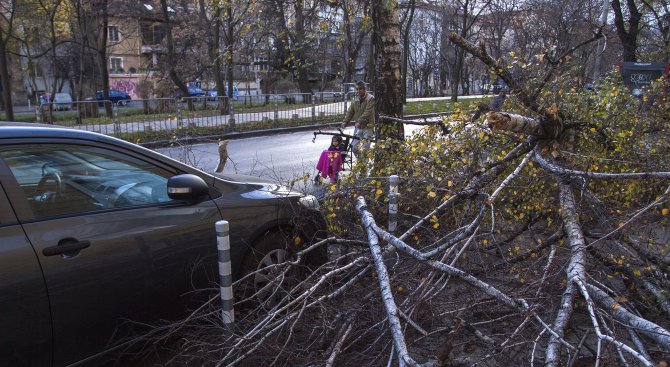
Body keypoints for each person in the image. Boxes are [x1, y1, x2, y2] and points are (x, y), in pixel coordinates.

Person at [341, 81, 374, 157]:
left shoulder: (370, 99)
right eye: (357, 89)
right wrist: (345, 121)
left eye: (360, 89)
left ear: (365, 89)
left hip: (368, 127)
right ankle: (361, 163)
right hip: (358, 128)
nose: (358, 91)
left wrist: (359, 121)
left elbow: (367, 112)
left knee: (365, 149)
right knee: (354, 147)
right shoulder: (355, 99)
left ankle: (364, 167)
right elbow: (350, 111)